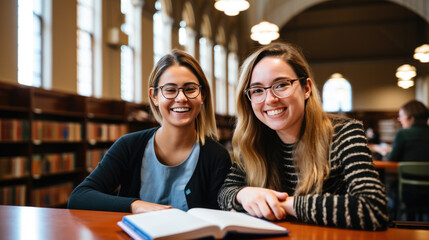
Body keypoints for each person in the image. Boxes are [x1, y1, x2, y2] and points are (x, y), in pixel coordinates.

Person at [217, 42, 389, 231]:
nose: (270, 99)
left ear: (306, 88)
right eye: (257, 90)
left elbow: (374, 208)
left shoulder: (344, 133)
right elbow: (225, 193)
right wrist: (243, 194)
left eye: (281, 85)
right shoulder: (255, 140)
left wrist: (283, 204)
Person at [68, 50, 231, 213]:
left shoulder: (217, 157)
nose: (181, 98)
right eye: (170, 90)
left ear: (202, 95)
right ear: (154, 96)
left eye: (190, 89)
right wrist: (136, 205)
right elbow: (79, 197)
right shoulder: (129, 146)